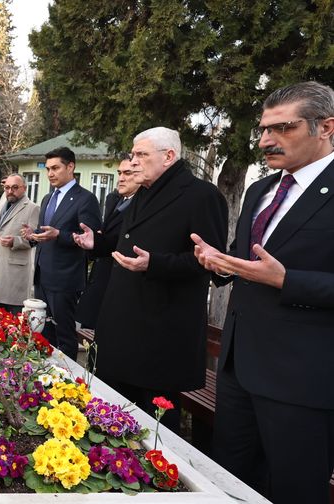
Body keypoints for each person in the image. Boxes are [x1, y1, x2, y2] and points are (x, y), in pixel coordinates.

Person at [192, 81, 334, 503]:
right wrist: (220, 264)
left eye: (281, 128)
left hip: (302, 381)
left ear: (326, 127)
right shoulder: (261, 190)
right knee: (231, 482)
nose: (265, 140)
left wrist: (286, 281)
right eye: (263, 129)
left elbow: (274, 274)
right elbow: (249, 266)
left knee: (295, 489)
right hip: (238, 369)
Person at [75, 127, 227, 432]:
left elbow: (209, 262)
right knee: (113, 417)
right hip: (122, 327)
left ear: (168, 156)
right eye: (133, 154)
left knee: (155, 429)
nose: (132, 162)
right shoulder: (144, 192)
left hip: (161, 334)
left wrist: (154, 264)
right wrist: (100, 244)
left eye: (141, 154)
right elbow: (127, 241)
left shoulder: (201, 196)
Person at [23, 147, 101, 359]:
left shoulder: (86, 199)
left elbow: (90, 239)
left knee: (64, 335)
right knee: (43, 331)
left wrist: (60, 235)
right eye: (48, 169)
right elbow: (47, 232)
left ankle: (67, 379)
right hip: (42, 276)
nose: (50, 173)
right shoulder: (48, 198)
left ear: (70, 166)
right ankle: (44, 376)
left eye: (55, 168)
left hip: (65, 279)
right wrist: (34, 235)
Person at [75, 156, 140, 329]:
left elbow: (122, 242)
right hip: (100, 279)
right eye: (119, 173)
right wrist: (93, 241)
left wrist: (98, 240)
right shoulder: (115, 199)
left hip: (119, 285)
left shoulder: (142, 205)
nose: (121, 178)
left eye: (128, 173)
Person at [0, 173, 40, 315]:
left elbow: (34, 239)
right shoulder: (2, 206)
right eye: (7, 187)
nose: (10, 191)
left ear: (24, 188)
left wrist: (16, 241)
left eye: (14, 187)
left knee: (13, 319)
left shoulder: (32, 208)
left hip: (15, 276)